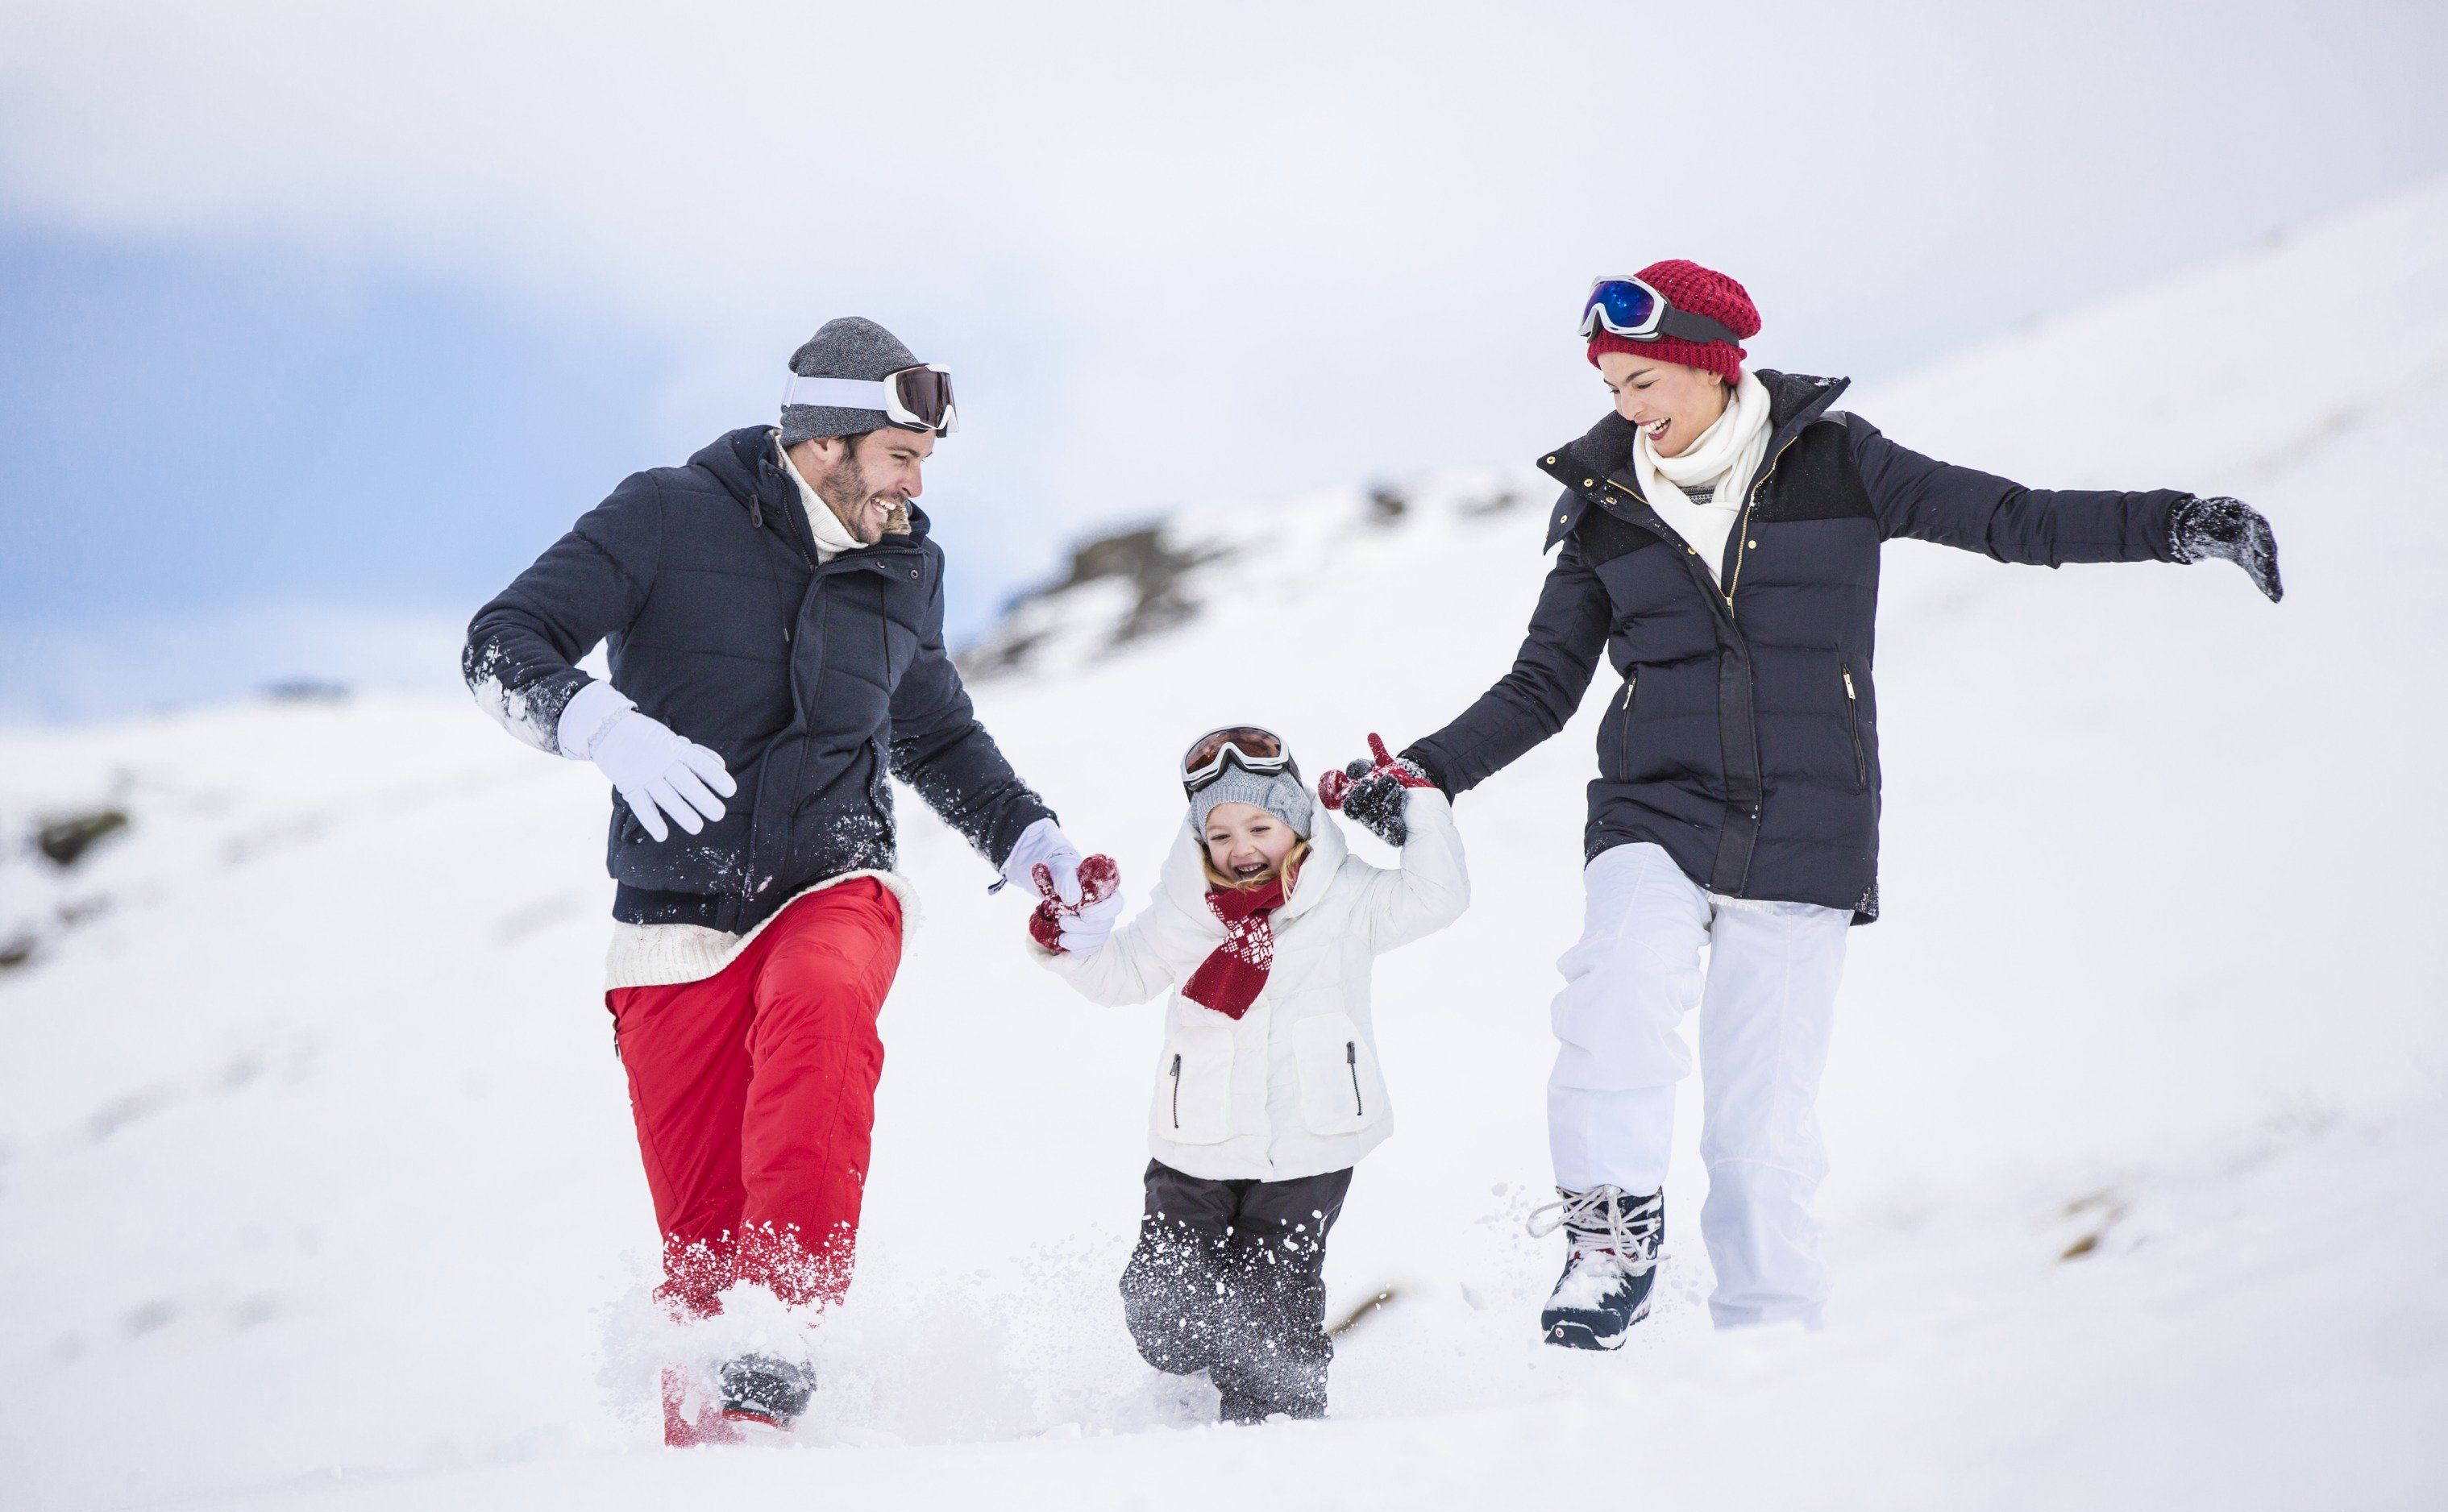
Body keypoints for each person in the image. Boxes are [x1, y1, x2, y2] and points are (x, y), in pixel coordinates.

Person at [1340, 260, 2281, 1348]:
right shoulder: (1601, 508)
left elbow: (2012, 518)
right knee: (1614, 993)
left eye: (1644, 381)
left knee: (1762, 1122)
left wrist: (2176, 524)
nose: (1627, 409)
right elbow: (1541, 685)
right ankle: (1608, 1240)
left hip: (1806, 823)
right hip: (1655, 806)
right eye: (1611, 390)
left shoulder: (1840, 462)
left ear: (1708, 363)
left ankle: (1771, 1337)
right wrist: (1420, 772)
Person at [462, 318, 1112, 1443]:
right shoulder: (662, 515)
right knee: (702, 1256)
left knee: (819, 1003)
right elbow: (500, 640)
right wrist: (597, 722)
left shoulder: (907, 563)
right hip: (670, 929)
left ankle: (788, 1333)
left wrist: (1031, 843)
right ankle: (725, 1481)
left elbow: (932, 730)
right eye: (899, 455)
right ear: (823, 441)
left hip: (833, 880)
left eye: (924, 463)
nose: (914, 485)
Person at [1030, 728, 1467, 1421]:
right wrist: (1074, 939)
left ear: (1295, 823)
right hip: (1195, 1143)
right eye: (1221, 832)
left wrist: (1421, 807)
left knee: (1275, 1300)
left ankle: (1273, 1428)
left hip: (1309, 1144)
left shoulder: (1348, 899)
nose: (1241, 848)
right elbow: (1123, 976)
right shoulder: (1183, 913)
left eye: (1260, 825)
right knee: (1165, 1307)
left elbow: (1437, 897)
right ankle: (1191, 1375)